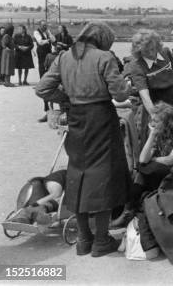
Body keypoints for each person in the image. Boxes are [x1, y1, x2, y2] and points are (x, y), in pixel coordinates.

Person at [35, 21, 131, 257]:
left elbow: (42, 89)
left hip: (77, 118)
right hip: (101, 119)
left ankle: (83, 240)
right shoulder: (104, 57)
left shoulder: (64, 57)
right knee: (103, 176)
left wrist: (66, 99)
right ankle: (101, 241)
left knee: (77, 173)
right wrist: (126, 87)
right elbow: (119, 94)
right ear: (101, 39)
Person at [126, 29, 173, 132]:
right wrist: (153, 115)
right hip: (155, 101)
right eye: (146, 51)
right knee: (161, 133)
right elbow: (144, 95)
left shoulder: (166, 52)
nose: (151, 53)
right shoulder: (136, 65)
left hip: (172, 95)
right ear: (139, 51)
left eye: (153, 49)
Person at [34, 20, 55, 122]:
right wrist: (48, 40)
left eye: (46, 26)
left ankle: (51, 111)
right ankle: (46, 109)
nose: (45, 27)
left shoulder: (47, 31)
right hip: (42, 56)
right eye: (43, 26)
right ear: (40, 26)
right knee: (44, 80)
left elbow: (54, 39)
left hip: (48, 55)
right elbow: (40, 42)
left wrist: (49, 34)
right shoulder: (36, 32)